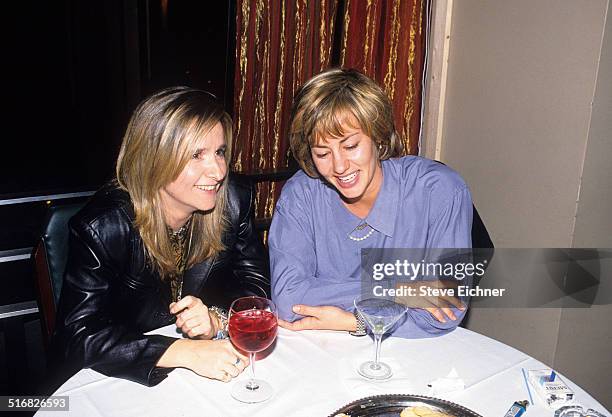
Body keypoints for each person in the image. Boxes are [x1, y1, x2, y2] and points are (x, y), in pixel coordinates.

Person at [50, 87, 270, 387]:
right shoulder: (103, 226)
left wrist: (217, 320)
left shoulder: (234, 200)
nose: (218, 171)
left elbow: (257, 292)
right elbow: (76, 337)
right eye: (196, 155)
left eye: (219, 152)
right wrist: (182, 351)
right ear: (155, 158)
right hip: (122, 378)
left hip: (206, 370)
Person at [268, 68, 472, 338]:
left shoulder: (440, 191)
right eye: (322, 153)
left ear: (377, 135)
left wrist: (356, 321)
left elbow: (447, 308)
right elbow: (287, 301)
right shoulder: (300, 196)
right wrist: (400, 291)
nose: (339, 166)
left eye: (351, 146)